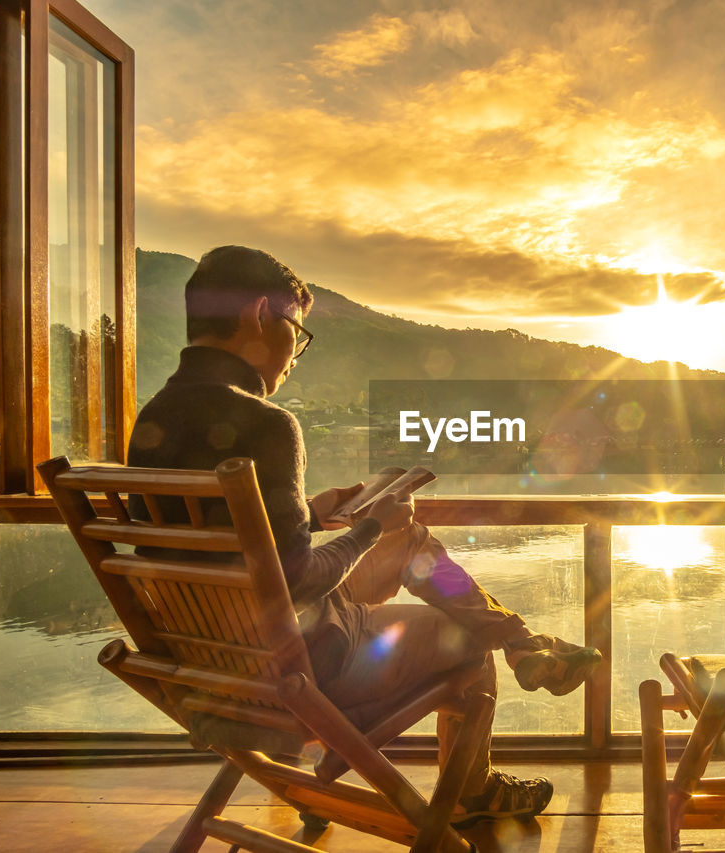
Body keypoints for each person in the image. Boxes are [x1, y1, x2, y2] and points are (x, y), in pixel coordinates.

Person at [127, 245, 601, 825]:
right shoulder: (267, 423)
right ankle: (478, 777)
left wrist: (308, 513)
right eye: (296, 331)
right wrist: (374, 525)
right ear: (257, 314)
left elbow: (221, 543)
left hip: (221, 662)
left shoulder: (152, 419)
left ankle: (523, 642)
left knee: (412, 544)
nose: (295, 354)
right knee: (465, 640)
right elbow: (300, 576)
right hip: (306, 665)